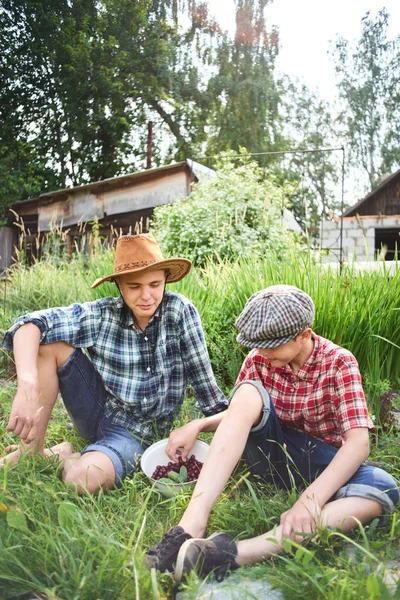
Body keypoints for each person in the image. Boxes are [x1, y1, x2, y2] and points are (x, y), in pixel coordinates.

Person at [145, 284, 399, 582]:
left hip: (320, 465)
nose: (263, 354)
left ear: (304, 334)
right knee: (249, 391)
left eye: (273, 346)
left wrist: (309, 500)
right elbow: (242, 411)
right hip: (267, 455)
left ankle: (230, 553)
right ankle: (188, 528)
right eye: (259, 345)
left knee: (383, 486)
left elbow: (357, 445)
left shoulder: (339, 363)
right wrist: (199, 424)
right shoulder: (259, 358)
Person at [0, 233, 227, 493]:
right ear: (119, 285)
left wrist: (197, 426)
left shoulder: (180, 313)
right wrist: (26, 382)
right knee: (48, 344)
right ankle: (32, 451)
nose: (146, 296)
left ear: (166, 279)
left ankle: (64, 455)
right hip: (96, 409)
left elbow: (214, 403)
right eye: (134, 286)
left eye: (154, 284)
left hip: (135, 433)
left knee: (82, 481)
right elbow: (30, 323)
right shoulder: (104, 314)